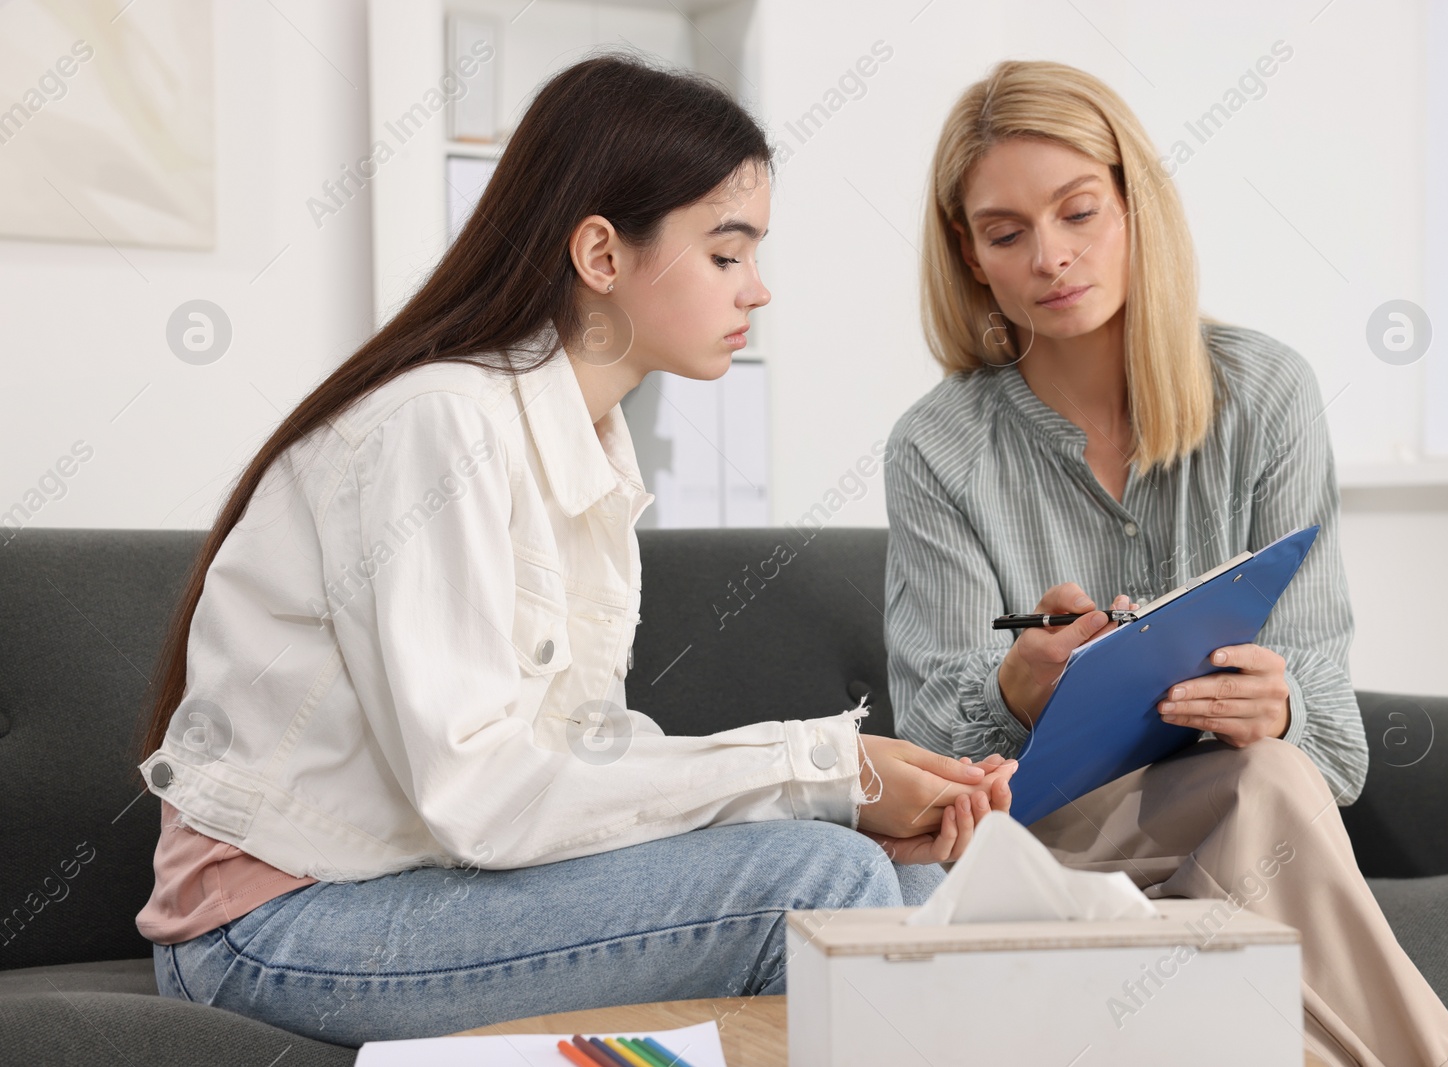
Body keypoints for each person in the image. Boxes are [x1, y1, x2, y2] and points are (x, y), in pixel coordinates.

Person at [132, 55, 1015, 1048]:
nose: (757, 289)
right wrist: (817, 768)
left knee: (895, 867)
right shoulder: (441, 426)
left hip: (425, 882)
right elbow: (487, 799)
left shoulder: (587, 443)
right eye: (727, 253)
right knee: (820, 878)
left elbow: (570, 760)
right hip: (276, 926)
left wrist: (837, 792)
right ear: (601, 254)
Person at [884, 59, 1448, 1067]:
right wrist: (1016, 685)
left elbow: (1330, 739)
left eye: (1079, 212)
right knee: (1266, 792)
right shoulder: (936, 448)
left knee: (1269, 781)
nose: (1049, 256)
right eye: (1005, 233)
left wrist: (1278, 706)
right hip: (1037, 844)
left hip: (1240, 828)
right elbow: (932, 762)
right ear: (969, 253)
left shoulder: (1265, 397)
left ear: (1134, 204)